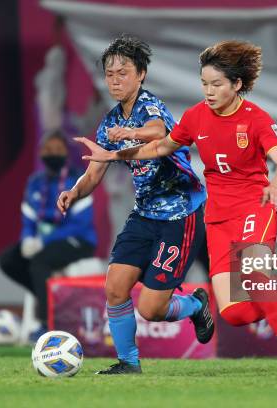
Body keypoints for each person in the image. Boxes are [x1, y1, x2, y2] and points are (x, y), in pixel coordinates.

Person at [76, 40, 277, 377]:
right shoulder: (195, 117)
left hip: (256, 207)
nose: (208, 91)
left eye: (217, 84)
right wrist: (113, 155)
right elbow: (161, 147)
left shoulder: (256, 119)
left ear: (237, 84)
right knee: (234, 314)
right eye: (204, 83)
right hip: (218, 219)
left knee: (255, 278)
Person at [57, 35, 213, 375]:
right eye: (110, 74)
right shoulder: (109, 122)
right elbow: (94, 172)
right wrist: (74, 191)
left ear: (141, 74)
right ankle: (129, 363)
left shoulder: (151, 107)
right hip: (143, 214)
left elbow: (157, 132)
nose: (115, 80)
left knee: (152, 309)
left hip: (180, 214)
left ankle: (194, 304)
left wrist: (129, 133)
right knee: (114, 287)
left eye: (123, 73)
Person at [0, 130, 97, 341]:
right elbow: (29, 218)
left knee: (39, 264)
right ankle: (46, 296)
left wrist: (42, 241)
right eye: (47, 149)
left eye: (57, 149)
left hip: (78, 241)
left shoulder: (77, 181)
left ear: (66, 154)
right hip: (43, 242)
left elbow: (79, 225)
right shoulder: (35, 182)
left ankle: (46, 323)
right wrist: (27, 239)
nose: (52, 153)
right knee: (8, 259)